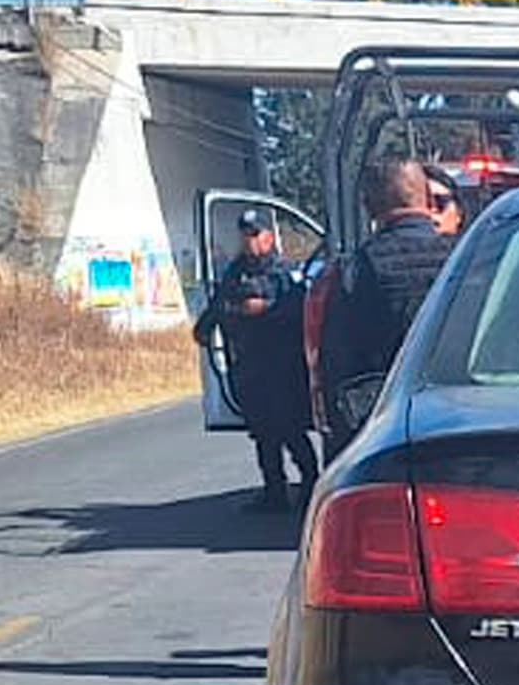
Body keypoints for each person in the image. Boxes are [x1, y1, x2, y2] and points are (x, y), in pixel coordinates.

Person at [193, 207, 313, 512]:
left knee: (290, 428)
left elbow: (299, 313)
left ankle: (311, 485)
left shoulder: (285, 274)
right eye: (245, 236)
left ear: (269, 238)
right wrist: (207, 327)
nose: (249, 242)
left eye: (255, 235)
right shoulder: (235, 273)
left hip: (282, 366)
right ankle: (273, 490)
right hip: (249, 365)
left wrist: (267, 309)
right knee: (262, 432)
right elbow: (219, 307)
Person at [318, 156, 457, 410]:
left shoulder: (356, 270)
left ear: (369, 207)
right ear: (428, 198)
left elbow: (337, 363)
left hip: (387, 415)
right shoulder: (464, 259)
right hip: (457, 409)